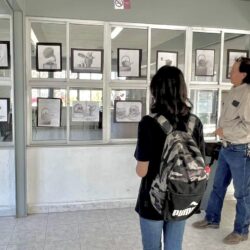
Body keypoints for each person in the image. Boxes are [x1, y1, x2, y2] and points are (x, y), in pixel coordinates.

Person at [134, 65, 205, 250]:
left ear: (156, 90)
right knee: (174, 247)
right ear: (183, 90)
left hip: (153, 199)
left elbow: (142, 171)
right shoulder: (194, 122)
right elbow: (204, 167)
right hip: (182, 196)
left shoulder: (149, 122)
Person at [192, 57, 250, 245]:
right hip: (226, 147)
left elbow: (248, 127)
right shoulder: (235, 89)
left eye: (233, 70)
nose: (230, 73)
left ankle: (241, 231)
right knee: (217, 187)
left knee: (242, 194)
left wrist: (225, 131)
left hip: (240, 150)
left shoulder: (248, 93)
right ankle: (212, 219)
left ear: (244, 74)